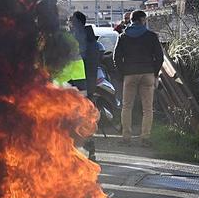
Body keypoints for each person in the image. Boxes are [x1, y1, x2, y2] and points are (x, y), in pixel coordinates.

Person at [113, 9, 163, 146]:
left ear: (131, 20)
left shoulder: (123, 36)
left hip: (129, 74)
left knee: (126, 106)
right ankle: (145, 138)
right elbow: (160, 57)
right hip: (147, 74)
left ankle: (126, 138)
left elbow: (116, 57)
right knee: (147, 108)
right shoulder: (151, 36)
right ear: (142, 20)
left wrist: (123, 73)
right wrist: (155, 73)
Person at [69, 11, 103, 161]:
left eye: (71, 21)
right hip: (89, 86)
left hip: (74, 86)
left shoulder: (74, 40)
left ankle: (73, 151)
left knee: (71, 119)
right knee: (85, 119)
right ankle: (91, 151)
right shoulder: (94, 42)